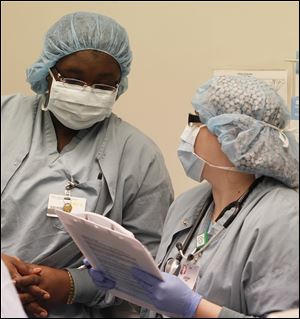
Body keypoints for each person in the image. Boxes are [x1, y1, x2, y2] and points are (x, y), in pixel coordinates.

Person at [1, 11, 173, 318]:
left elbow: (149, 265)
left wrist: (71, 284)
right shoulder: (5, 117)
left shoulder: (139, 155)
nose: (86, 91)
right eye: (72, 78)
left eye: (104, 85)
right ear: (47, 72)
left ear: (120, 86)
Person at [88, 75, 299, 317]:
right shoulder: (188, 205)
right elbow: (163, 300)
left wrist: (195, 308)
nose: (188, 132)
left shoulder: (284, 217)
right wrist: (127, 282)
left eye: (196, 120)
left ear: (234, 136)